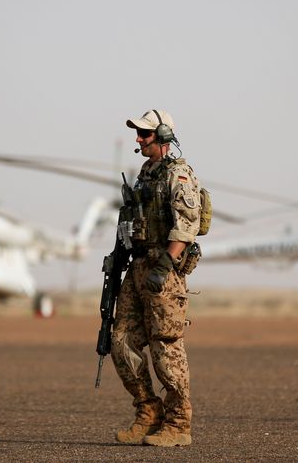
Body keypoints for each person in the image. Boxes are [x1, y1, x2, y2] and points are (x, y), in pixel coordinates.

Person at [111, 109, 201, 447]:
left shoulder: (178, 175)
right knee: (121, 341)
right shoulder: (146, 174)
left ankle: (179, 424)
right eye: (138, 133)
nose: (139, 139)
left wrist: (165, 265)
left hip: (163, 270)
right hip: (137, 267)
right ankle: (149, 412)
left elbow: (187, 224)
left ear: (162, 135)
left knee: (166, 346)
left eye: (145, 134)